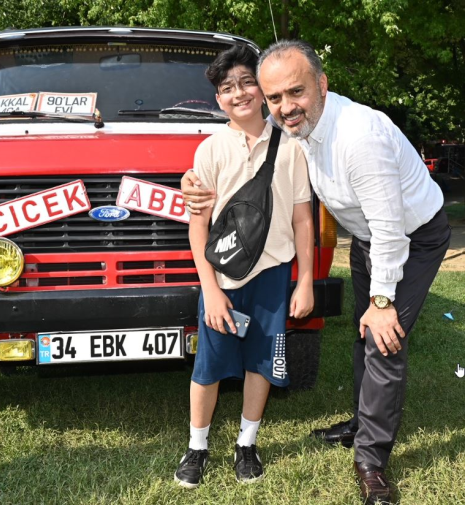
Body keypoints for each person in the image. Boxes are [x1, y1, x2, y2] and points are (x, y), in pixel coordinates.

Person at [182, 40, 451, 504]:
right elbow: (240, 142)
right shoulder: (294, 129)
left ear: (322, 85)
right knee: (362, 333)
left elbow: (390, 231)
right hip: (368, 238)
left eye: (296, 92)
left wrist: (383, 302)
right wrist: (191, 183)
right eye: (275, 98)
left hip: (411, 235)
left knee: (384, 338)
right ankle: (363, 421)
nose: (285, 107)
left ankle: (371, 460)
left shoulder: (358, 136)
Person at [174, 44, 314, 490]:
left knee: (262, 363)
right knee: (209, 367)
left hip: (273, 276)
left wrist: (306, 280)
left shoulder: (292, 147)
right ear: (218, 99)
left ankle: (246, 444)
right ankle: (197, 447)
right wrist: (210, 290)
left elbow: (302, 218)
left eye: (247, 82)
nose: (239, 94)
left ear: (263, 88)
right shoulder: (210, 151)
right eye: (226, 87)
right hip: (223, 277)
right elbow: (199, 228)